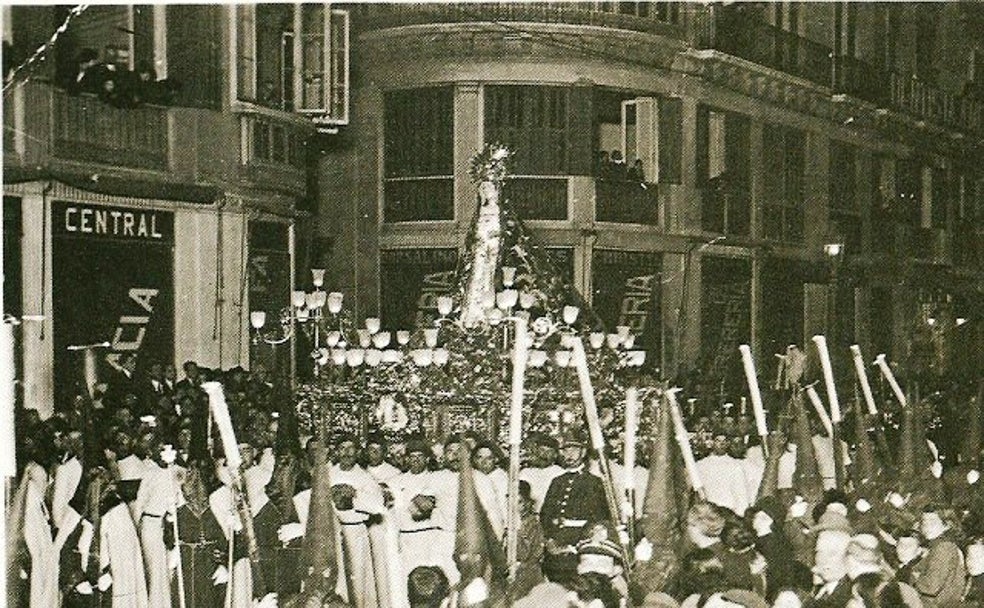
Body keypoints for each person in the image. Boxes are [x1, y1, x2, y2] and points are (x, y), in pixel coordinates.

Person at [540, 430, 610, 586]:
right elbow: (545, 515)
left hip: (580, 547)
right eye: (565, 450)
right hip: (556, 545)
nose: (568, 454)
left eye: (573, 449)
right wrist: (550, 541)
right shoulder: (557, 482)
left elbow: (599, 520)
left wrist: (576, 546)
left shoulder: (594, 483)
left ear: (583, 452)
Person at [911, 506, 966, 607]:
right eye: (924, 521)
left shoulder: (944, 547)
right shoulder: (937, 546)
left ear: (947, 525)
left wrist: (914, 577)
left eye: (932, 522)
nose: (926, 526)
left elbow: (931, 586)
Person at [696, 432, 752, 515]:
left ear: (727, 444)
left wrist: (740, 515)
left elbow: (741, 494)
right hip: (707, 513)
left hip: (729, 512)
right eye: (718, 441)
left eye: (724, 441)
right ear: (712, 443)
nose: (721, 444)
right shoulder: (701, 465)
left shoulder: (735, 465)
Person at [519, 433, 563, 513]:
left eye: (549, 451)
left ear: (555, 455)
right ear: (536, 452)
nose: (544, 455)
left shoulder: (560, 473)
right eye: (542, 450)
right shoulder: (525, 473)